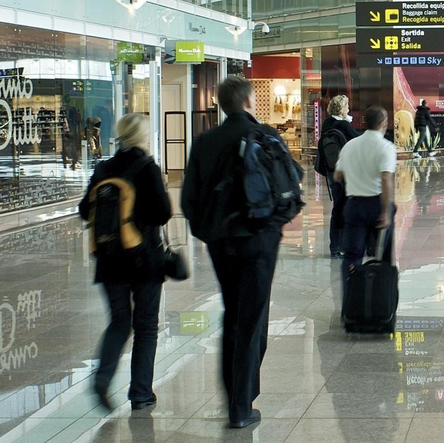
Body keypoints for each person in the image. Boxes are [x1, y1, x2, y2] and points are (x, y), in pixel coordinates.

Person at [181, 75, 293, 430]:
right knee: (253, 316)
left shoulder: (204, 142)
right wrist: (272, 230)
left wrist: (209, 233)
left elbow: (188, 200)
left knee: (233, 312)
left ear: (220, 104)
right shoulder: (267, 135)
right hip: (259, 240)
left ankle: (235, 394)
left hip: (221, 241)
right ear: (249, 101)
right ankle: (241, 405)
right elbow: (288, 189)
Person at [78, 113, 171, 411]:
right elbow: (163, 214)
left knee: (119, 321)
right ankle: (141, 393)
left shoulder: (103, 168)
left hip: (109, 260)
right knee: (145, 326)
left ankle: (102, 379)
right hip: (145, 259)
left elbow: (84, 210)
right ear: (143, 136)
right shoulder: (148, 167)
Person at [333, 106, 397, 280]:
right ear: (383, 123)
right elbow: (385, 178)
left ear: (364, 122)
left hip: (354, 206)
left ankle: (350, 299)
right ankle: (382, 300)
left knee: (352, 256)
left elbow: (337, 175)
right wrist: (385, 212)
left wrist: (355, 176)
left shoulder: (350, 145)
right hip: (377, 205)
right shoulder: (386, 147)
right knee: (382, 255)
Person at [316, 96, 359, 257]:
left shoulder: (326, 124)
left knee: (338, 208)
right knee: (347, 207)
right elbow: (358, 138)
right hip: (345, 172)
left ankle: (335, 246)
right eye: (347, 106)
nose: (348, 109)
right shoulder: (343, 124)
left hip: (331, 171)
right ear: (341, 109)